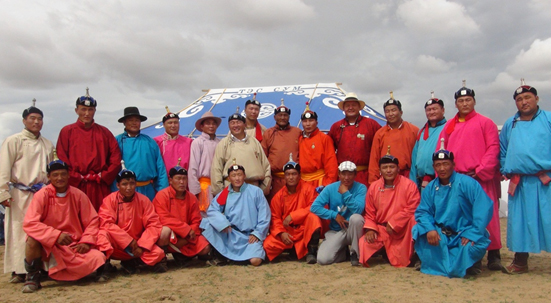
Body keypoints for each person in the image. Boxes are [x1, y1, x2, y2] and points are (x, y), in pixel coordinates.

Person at [438, 81, 502, 270]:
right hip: (457, 180)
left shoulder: (486, 123)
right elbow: (441, 150)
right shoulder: (449, 125)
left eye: (468, 100)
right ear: (456, 104)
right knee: (463, 219)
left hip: (480, 178)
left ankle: (494, 254)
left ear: (474, 102)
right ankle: (470, 256)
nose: (464, 103)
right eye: (461, 100)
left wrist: (481, 170)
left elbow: (493, 148)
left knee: (487, 217)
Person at [22, 155, 106, 293]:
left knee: (98, 256)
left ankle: (76, 271)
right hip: (49, 245)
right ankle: (33, 277)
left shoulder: (78, 194)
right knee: (31, 239)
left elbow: (92, 220)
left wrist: (86, 241)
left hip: (73, 244)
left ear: (68, 176)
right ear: (49, 177)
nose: (59, 178)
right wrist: (55, 235)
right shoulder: (41, 195)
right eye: (55, 175)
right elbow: (30, 223)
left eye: (63, 174)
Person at [413, 141, 493, 278]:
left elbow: (483, 208)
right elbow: (423, 211)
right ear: (434, 167)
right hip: (440, 234)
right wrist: (430, 229)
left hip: (463, 233)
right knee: (419, 231)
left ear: (453, 165)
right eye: (438, 165)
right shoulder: (431, 188)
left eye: (445, 164)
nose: (442, 168)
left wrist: (472, 232)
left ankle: (471, 263)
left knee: (476, 243)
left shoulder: (467, 183)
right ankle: (433, 262)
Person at [499, 80, 551, 274]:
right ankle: (520, 261)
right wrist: (505, 167)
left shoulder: (548, 119)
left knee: (549, 219)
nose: (524, 102)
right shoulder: (510, 124)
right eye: (519, 99)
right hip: (519, 183)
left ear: (536, 98)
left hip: (545, 180)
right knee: (520, 222)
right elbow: (503, 149)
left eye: (527, 97)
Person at [0, 100, 54, 283]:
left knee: (42, 230)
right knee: (18, 230)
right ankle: (19, 269)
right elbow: (4, 168)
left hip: (41, 193)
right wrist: (2, 193)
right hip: (19, 194)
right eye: (33, 118)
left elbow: (51, 170)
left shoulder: (47, 143)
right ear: (24, 121)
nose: (37, 122)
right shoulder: (13, 141)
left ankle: (39, 267)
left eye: (40, 119)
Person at [57, 88, 121, 211]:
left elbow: (116, 158)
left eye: (90, 110)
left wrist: (104, 176)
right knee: (76, 219)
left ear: (95, 111)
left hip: (99, 186)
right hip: (76, 185)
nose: (87, 113)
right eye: (83, 109)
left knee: (101, 219)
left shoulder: (105, 132)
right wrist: (75, 177)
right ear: (76, 110)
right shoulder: (67, 132)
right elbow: (62, 158)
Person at [97, 162, 167, 274]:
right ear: (118, 185)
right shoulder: (109, 200)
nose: (129, 188)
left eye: (132, 183)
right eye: (124, 184)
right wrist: (128, 241)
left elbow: (153, 224)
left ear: (136, 184)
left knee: (158, 254)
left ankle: (133, 262)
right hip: (118, 245)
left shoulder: (144, 200)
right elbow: (106, 224)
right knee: (102, 235)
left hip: (138, 246)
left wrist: (142, 245)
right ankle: (105, 268)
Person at [200, 160, 271, 266]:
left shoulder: (256, 192)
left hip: (249, 236)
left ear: (244, 176)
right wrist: (222, 223)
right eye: (233, 175)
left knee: (255, 261)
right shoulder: (225, 193)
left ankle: (235, 257)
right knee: (207, 223)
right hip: (231, 234)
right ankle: (221, 255)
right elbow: (213, 210)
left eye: (239, 175)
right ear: (229, 178)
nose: (237, 178)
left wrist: (257, 233)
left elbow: (264, 215)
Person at [360, 148, 420, 267]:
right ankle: (383, 251)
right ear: (380, 170)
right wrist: (371, 229)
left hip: (402, 230)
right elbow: (370, 212)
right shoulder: (374, 187)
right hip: (382, 229)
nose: (388, 170)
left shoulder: (409, 185)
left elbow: (413, 207)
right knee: (364, 243)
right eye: (385, 167)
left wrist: (394, 222)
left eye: (392, 167)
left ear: (398, 169)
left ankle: (416, 255)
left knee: (414, 220)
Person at [263, 155, 322, 264]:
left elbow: (314, 207)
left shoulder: (308, 189)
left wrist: (293, 216)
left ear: (299, 176)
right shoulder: (278, 196)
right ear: (284, 177)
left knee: (314, 218)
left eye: (294, 174)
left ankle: (311, 252)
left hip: (303, 230)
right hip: (287, 232)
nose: (291, 177)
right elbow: (275, 218)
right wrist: (281, 233)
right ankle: (292, 249)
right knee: (267, 246)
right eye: (288, 174)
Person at [153, 160, 211, 264]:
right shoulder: (162, 196)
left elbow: (196, 220)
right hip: (171, 235)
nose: (182, 182)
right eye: (178, 179)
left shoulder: (192, 198)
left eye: (184, 179)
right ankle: (162, 258)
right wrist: (186, 230)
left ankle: (182, 255)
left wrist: (188, 234)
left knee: (205, 248)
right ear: (170, 180)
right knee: (163, 232)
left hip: (188, 236)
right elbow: (163, 218)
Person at [311, 161, 366, 266]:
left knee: (357, 218)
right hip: (336, 230)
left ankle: (354, 253)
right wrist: (334, 215)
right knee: (323, 259)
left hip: (353, 229)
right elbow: (314, 207)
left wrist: (346, 193)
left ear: (355, 175)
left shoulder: (361, 188)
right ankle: (343, 253)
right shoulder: (330, 188)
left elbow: (358, 210)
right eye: (343, 174)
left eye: (350, 174)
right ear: (339, 174)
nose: (346, 177)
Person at [210, 108, 271, 196]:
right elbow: (216, 168)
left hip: (253, 188)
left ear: (244, 124)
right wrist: (221, 192)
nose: (235, 125)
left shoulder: (254, 142)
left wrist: (263, 189)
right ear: (229, 126)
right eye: (232, 123)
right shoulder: (223, 144)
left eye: (238, 122)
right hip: (230, 189)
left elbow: (266, 166)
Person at [115, 107, 169, 201]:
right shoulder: (117, 141)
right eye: (130, 120)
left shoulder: (150, 142)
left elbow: (160, 168)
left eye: (137, 120)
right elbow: (113, 168)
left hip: (148, 190)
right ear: (124, 122)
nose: (134, 123)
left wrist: (162, 191)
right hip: (125, 191)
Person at [328, 92, 381, 187]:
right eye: (347, 105)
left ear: (359, 107)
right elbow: (328, 150)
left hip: (364, 175)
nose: (350, 108)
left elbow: (382, 143)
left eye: (353, 105)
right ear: (343, 109)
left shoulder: (371, 124)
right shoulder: (336, 127)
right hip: (343, 177)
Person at [368, 92, 419, 185]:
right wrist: (373, 183)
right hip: (386, 178)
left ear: (401, 112)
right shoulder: (380, 133)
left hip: (408, 176)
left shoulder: (414, 130)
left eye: (393, 110)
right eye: (387, 111)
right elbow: (374, 160)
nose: (390, 114)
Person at [261, 99, 302, 201]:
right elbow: (263, 156)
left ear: (288, 117)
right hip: (275, 180)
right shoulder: (269, 133)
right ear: (275, 117)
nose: (282, 117)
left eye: (285, 115)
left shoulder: (297, 132)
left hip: (294, 178)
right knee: (276, 205)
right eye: (280, 115)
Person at [410, 92, 447, 191]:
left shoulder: (448, 128)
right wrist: (412, 182)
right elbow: (414, 158)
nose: (431, 112)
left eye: (435, 109)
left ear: (443, 110)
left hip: (441, 180)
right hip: (422, 181)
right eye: (428, 110)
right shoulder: (421, 132)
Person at [188, 111, 221, 213]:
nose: (211, 126)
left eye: (213, 123)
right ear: (202, 126)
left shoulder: (220, 143)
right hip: (204, 185)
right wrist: (195, 191)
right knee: (203, 216)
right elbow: (193, 167)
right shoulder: (197, 142)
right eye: (208, 123)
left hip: (218, 186)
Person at [298, 105, 338, 188]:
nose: (308, 124)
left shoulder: (324, 138)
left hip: (319, 181)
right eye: (305, 121)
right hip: (302, 182)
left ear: (316, 123)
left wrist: (327, 184)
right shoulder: (299, 139)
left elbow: (331, 164)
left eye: (311, 120)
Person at [154, 107, 193, 176]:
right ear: (164, 125)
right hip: (164, 182)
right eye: (170, 123)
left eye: (176, 123)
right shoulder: (156, 142)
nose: (173, 125)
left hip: (184, 182)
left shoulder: (189, 142)